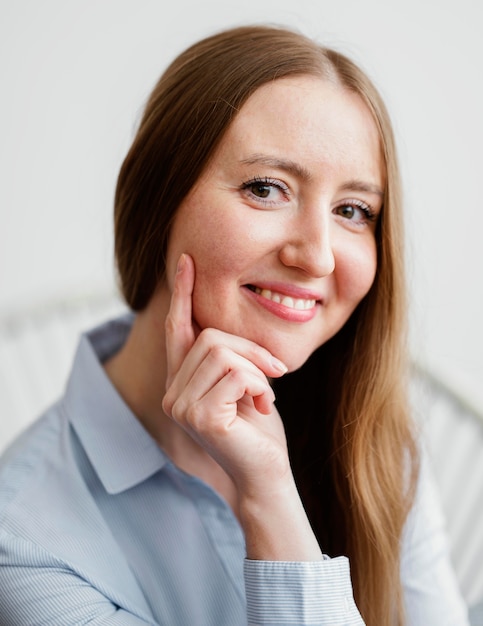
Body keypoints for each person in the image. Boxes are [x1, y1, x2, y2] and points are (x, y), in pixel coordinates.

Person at [0, 24, 469, 626]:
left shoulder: (371, 433)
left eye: (353, 211)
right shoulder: (25, 547)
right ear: (157, 200)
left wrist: (270, 492)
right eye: (266, 188)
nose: (318, 256)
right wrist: (269, 497)